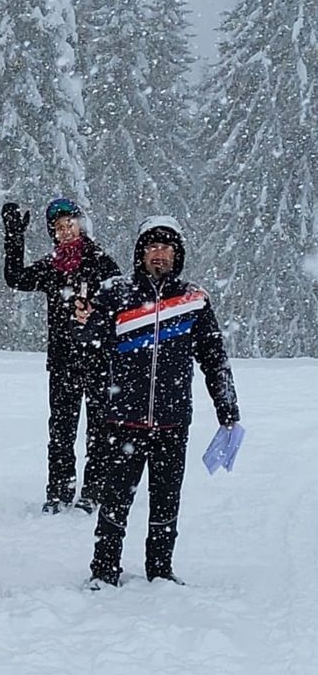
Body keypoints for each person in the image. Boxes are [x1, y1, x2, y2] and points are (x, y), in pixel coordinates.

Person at [75, 215, 240, 588]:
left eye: (166, 247)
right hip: (123, 421)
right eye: (152, 247)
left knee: (166, 503)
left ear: (177, 254)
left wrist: (227, 408)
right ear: (140, 253)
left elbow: (214, 358)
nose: (159, 254)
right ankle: (103, 571)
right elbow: (89, 346)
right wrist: (81, 320)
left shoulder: (193, 300)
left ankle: (161, 571)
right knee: (115, 502)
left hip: (172, 422)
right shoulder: (115, 293)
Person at [2, 198, 120, 515]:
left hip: (99, 361)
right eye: (58, 227)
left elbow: (122, 309)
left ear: (81, 225)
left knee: (99, 432)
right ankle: (59, 492)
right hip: (64, 362)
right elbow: (15, 278)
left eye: (70, 224)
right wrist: (14, 237)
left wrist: (97, 314)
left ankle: (93, 492)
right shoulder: (52, 268)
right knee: (61, 433)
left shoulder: (102, 264)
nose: (65, 231)